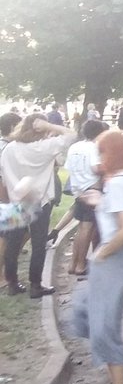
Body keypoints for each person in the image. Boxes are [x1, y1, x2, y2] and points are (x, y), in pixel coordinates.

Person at [73, 130, 123, 384]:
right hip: (121, 261)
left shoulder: (120, 183)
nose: (99, 157)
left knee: (103, 328)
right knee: (84, 313)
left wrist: (103, 253)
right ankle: (121, 363)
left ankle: (120, 379)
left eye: (102, 151)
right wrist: (100, 202)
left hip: (116, 261)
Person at [1, 113, 75, 297]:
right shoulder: (43, 148)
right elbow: (71, 134)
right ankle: (35, 285)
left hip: (16, 199)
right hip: (40, 200)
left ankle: (12, 282)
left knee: (13, 243)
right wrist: (50, 126)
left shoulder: (9, 149)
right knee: (38, 243)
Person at [63, 119, 107, 276]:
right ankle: (81, 264)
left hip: (78, 189)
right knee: (87, 230)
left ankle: (73, 263)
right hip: (92, 189)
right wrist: (107, 166)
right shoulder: (93, 147)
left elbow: (68, 166)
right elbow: (95, 168)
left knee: (81, 227)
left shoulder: (75, 146)